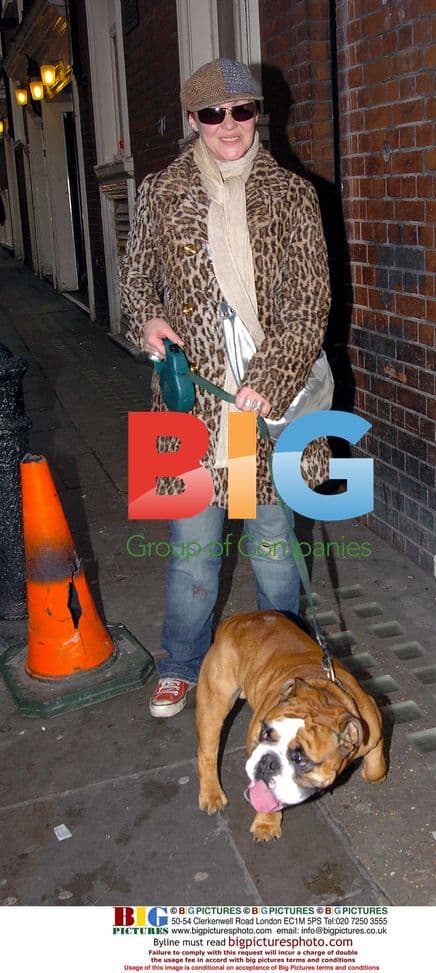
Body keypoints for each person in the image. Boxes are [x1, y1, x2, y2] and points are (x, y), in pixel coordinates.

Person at [120, 58, 331, 718]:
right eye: (213, 113)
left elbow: (310, 304)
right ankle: (181, 665)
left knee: (273, 553)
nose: (229, 125)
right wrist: (146, 320)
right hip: (192, 405)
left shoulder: (293, 196)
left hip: (260, 409)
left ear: (257, 114)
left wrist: (268, 380)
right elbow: (136, 282)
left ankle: (289, 668)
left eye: (242, 110)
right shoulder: (160, 193)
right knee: (192, 555)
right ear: (194, 120)